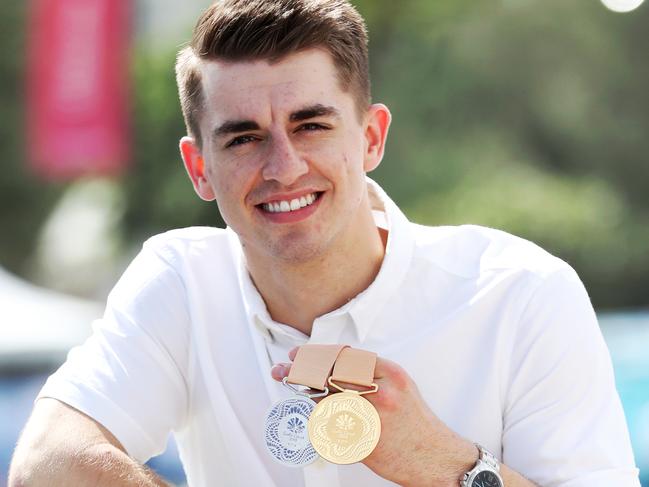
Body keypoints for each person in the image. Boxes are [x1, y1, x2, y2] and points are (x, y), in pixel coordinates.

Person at [9, 1, 640, 486]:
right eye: (242, 138)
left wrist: (443, 462)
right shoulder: (179, 282)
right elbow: (44, 462)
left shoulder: (523, 294)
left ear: (371, 137)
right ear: (199, 168)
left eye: (311, 125)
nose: (283, 167)